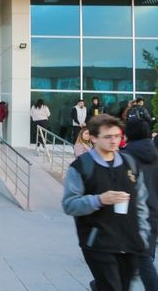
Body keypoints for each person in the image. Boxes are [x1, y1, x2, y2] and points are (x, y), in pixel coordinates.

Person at [62, 114, 150, 291]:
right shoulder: (81, 166)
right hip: (98, 243)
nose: (114, 141)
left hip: (130, 242)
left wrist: (144, 234)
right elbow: (69, 204)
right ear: (93, 137)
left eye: (117, 136)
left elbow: (141, 203)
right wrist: (99, 199)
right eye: (108, 136)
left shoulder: (129, 163)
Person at [122, 119, 158, 290]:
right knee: (145, 256)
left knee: (141, 260)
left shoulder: (125, 156)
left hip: (133, 214)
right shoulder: (155, 155)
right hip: (154, 214)